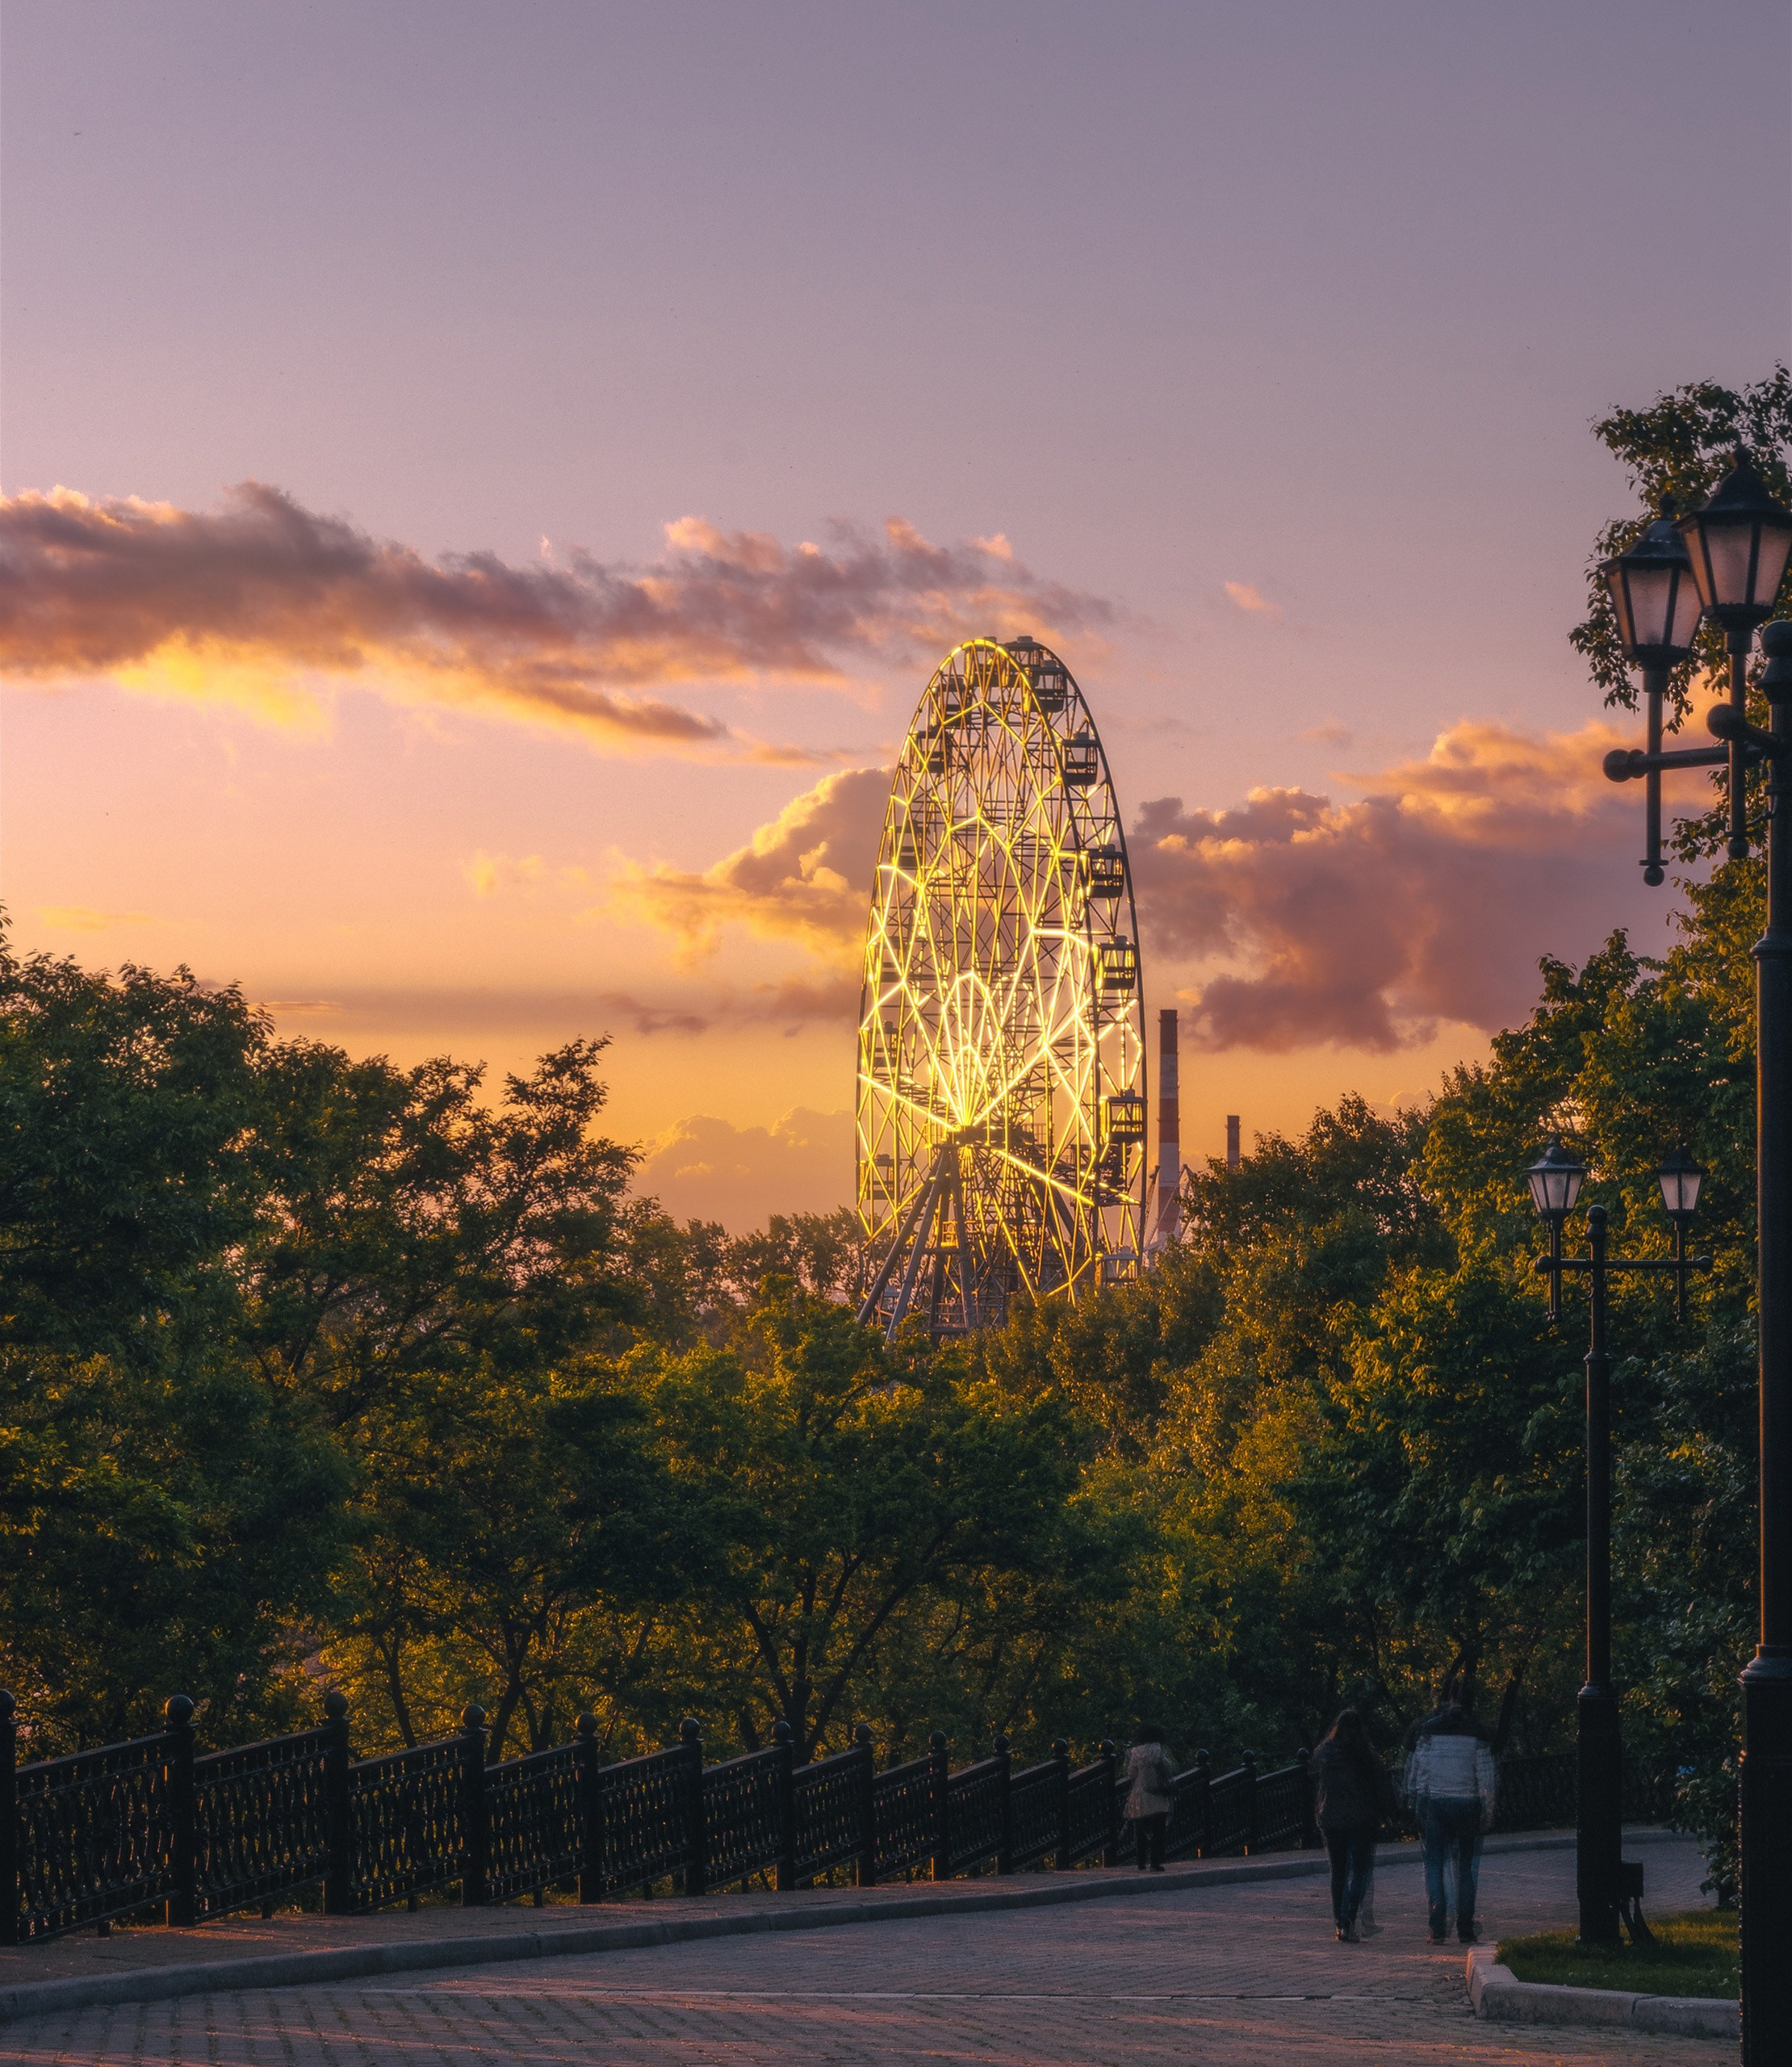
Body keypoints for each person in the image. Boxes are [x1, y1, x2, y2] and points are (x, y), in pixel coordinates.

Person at [1405, 1702, 1497, 1943]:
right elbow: (1485, 1775)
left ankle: (1437, 1928)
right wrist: (1488, 1808)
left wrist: (1416, 1800)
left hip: (1435, 1802)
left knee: (1434, 1865)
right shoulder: (1475, 1733)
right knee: (1465, 1868)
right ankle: (1465, 1928)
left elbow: (1418, 1773)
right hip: (1467, 1803)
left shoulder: (1428, 1733)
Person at [1312, 1709, 1396, 1942]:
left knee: (1338, 1872)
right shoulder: (1366, 1755)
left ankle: (1340, 1923)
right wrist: (1391, 1813)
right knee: (1360, 1871)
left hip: (1332, 1819)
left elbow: (1319, 1785)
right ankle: (1349, 1918)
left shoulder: (1325, 1754)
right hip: (1362, 1820)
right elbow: (1382, 1787)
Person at [1121, 1724, 1175, 1871]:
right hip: (1157, 1794)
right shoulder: (1158, 1749)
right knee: (1159, 1830)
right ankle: (1155, 1862)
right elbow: (1167, 1767)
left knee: (1141, 1831)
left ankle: (1140, 1861)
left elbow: (1131, 1774)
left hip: (1139, 1794)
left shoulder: (1135, 1752)